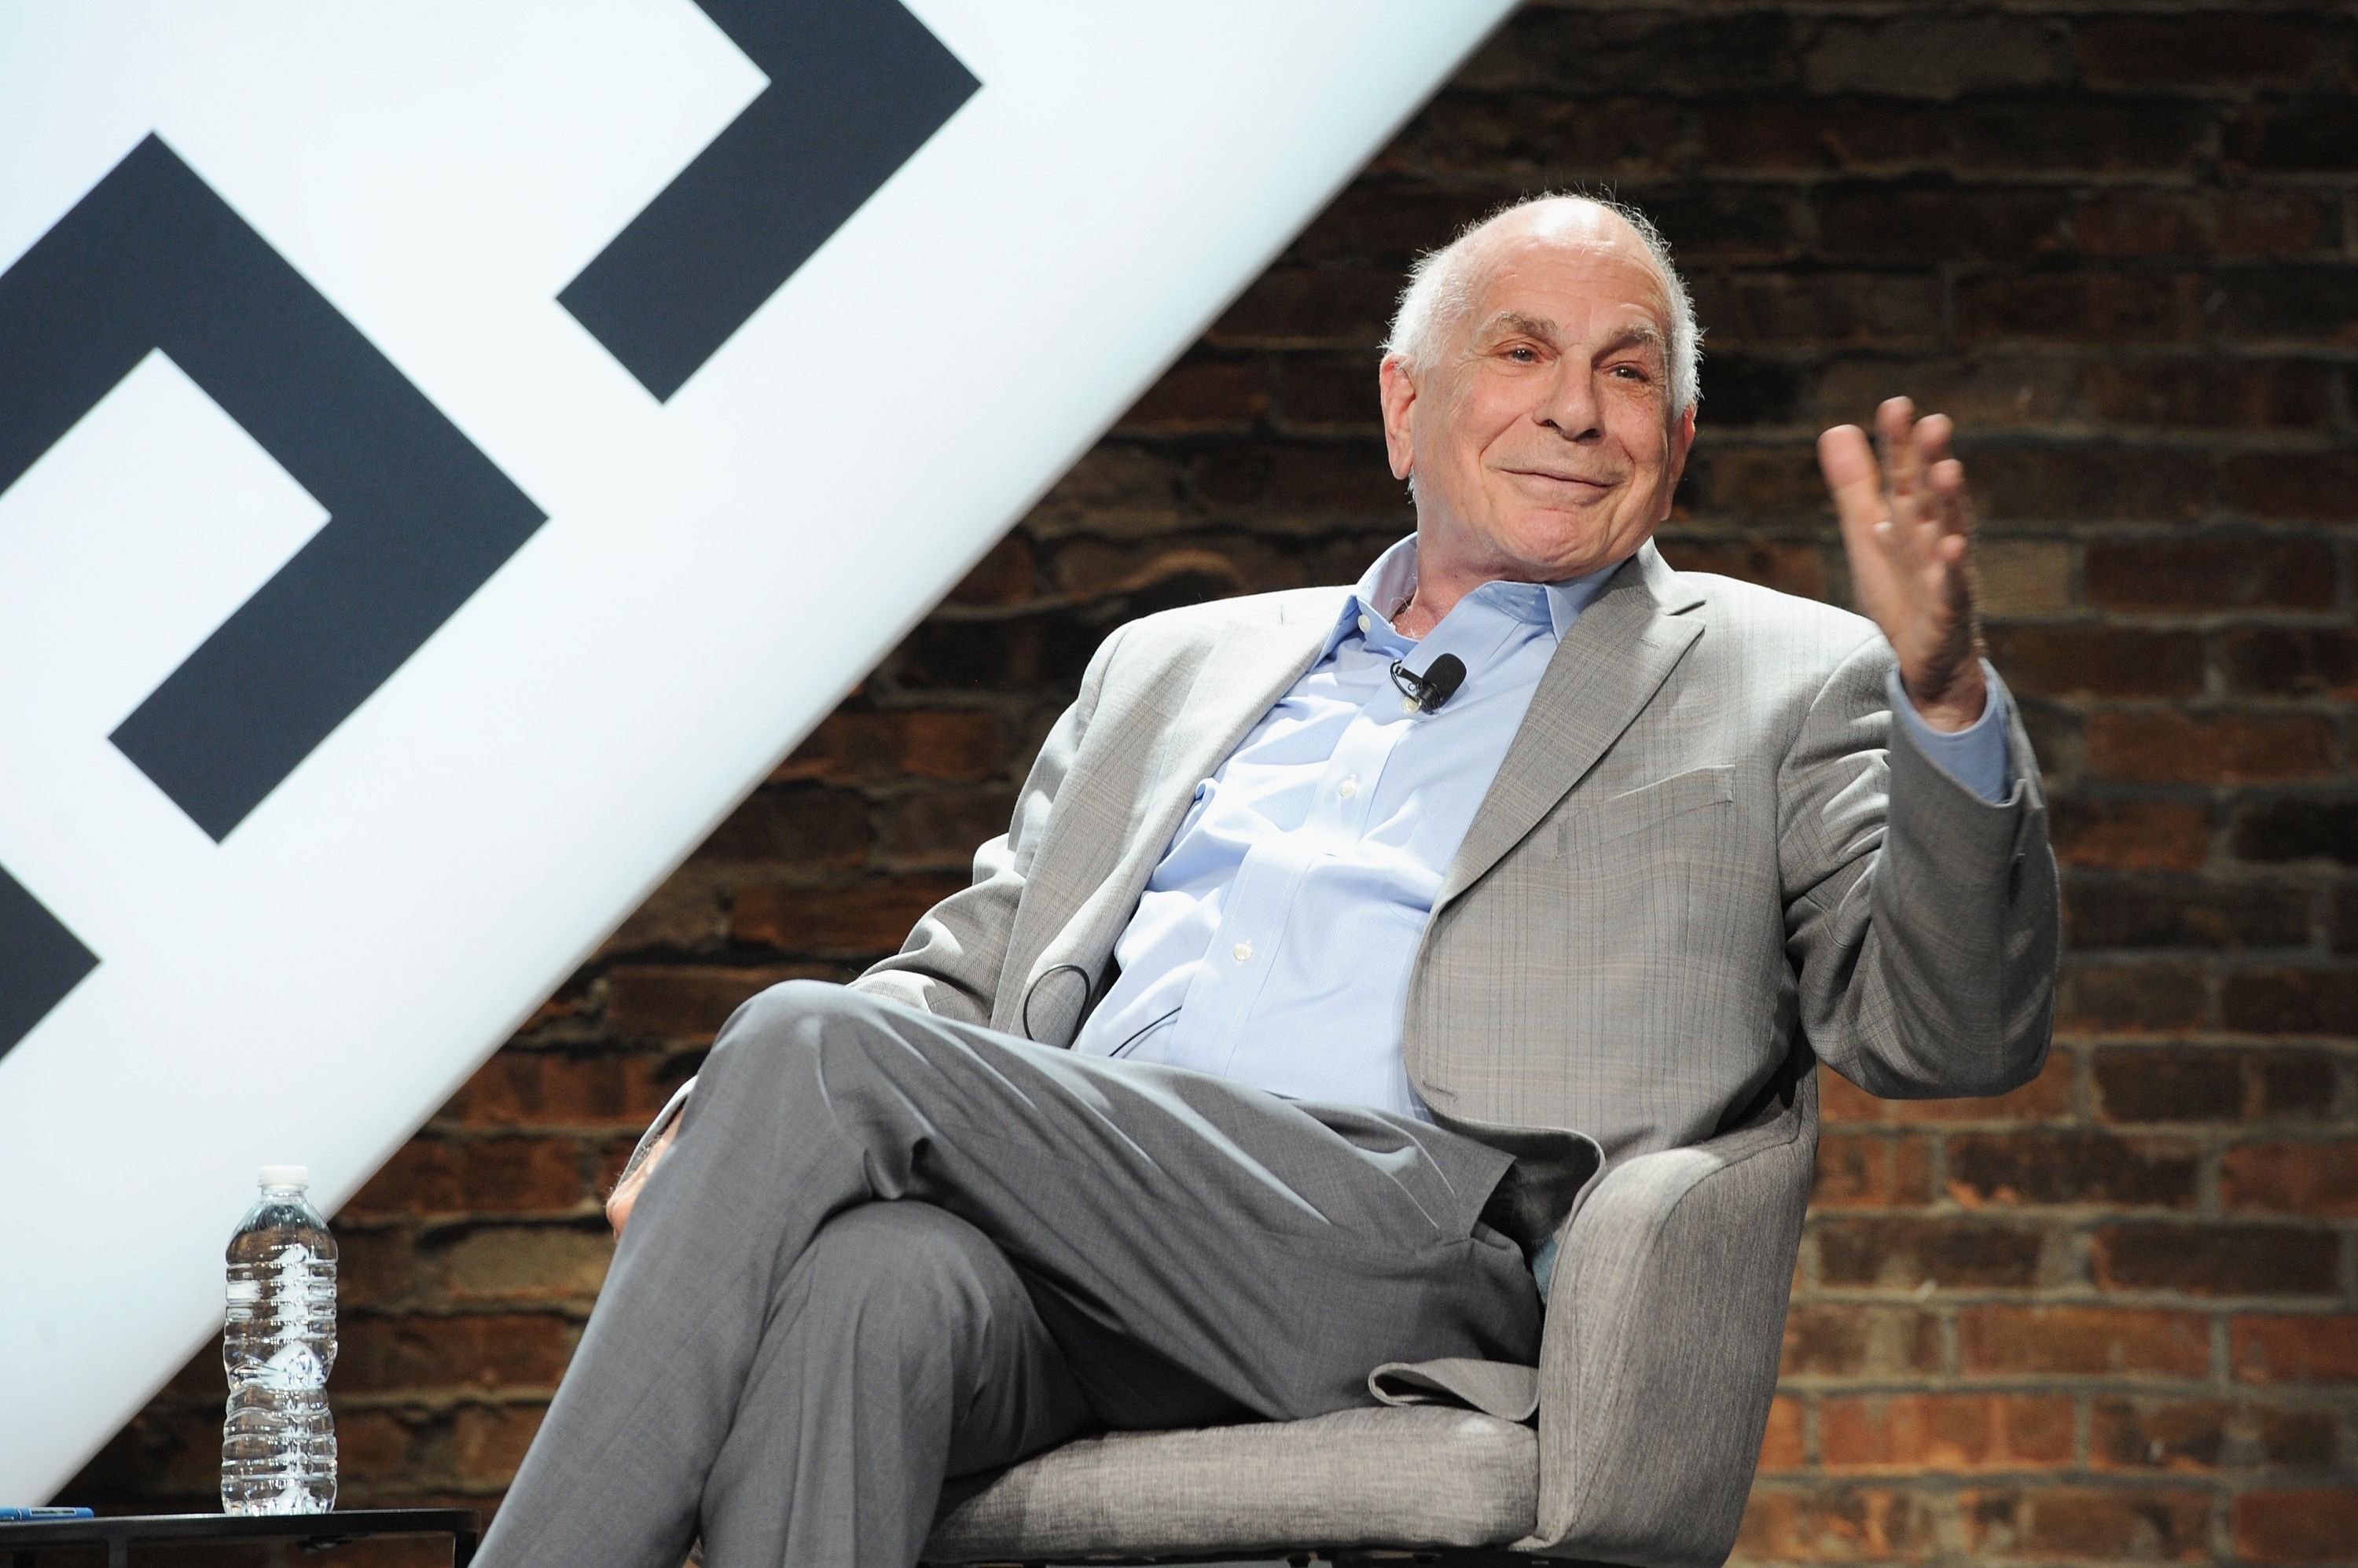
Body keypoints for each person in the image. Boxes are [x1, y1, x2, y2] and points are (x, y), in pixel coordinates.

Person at [475, 195, 2057, 1568]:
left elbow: (1950, 1032)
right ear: (1406, 409)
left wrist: (1943, 700)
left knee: (807, 1039)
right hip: (1081, 1241)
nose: (1578, 408)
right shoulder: (1167, 665)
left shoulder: (1784, 676)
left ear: (1679, 441)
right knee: (870, 1288)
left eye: (1628, 371)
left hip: (1399, 1244)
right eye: (1523, 352)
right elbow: (963, 971)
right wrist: (756, 1116)